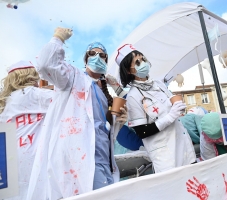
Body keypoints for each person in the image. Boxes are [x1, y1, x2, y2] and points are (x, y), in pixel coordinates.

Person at [27, 27, 127, 199]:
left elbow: (101, 124)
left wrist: (117, 119)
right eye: (92, 53)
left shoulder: (102, 91)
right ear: (86, 59)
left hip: (103, 158)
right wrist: (58, 38)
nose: (98, 57)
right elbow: (45, 65)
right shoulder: (73, 78)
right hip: (80, 159)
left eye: (102, 55)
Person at [116, 44, 196, 173]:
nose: (143, 63)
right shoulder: (133, 96)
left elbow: (172, 106)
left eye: (143, 59)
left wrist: (179, 108)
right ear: (128, 70)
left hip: (184, 147)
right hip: (165, 156)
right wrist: (170, 117)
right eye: (137, 62)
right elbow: (142, 131)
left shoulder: (159, 84)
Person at [0, 61, 53, 200]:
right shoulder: (36, 94)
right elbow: (68, 100)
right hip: (34, 159)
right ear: (30, 77)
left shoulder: (4, 103)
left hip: (9, 163)